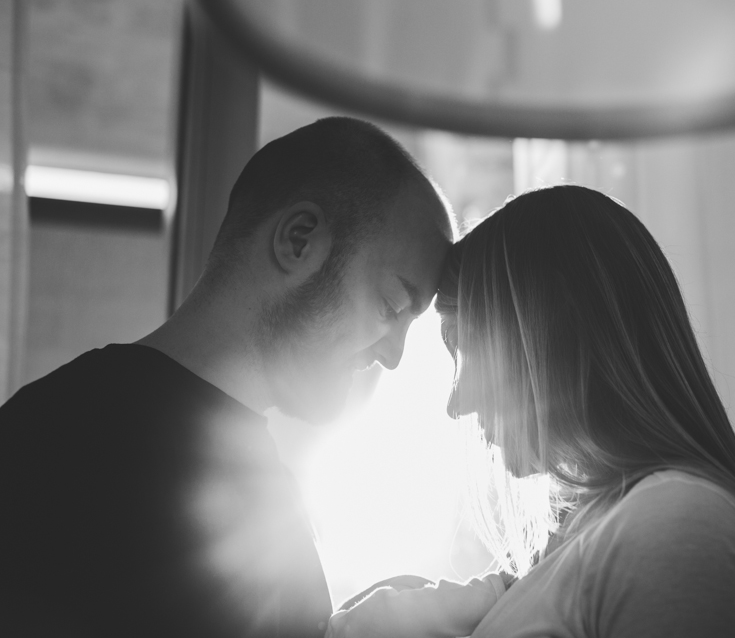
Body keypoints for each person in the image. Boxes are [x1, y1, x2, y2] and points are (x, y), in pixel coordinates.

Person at [0, 117, 456, 638]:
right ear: (299, 240)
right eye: (391, 304)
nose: (393, 356)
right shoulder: (53, 445)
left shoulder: (263, 489)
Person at [331, 185, 735, 637]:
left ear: (551, 337)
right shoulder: (607, 533)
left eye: (467, 348)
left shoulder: (674, 528)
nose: (456, 403)